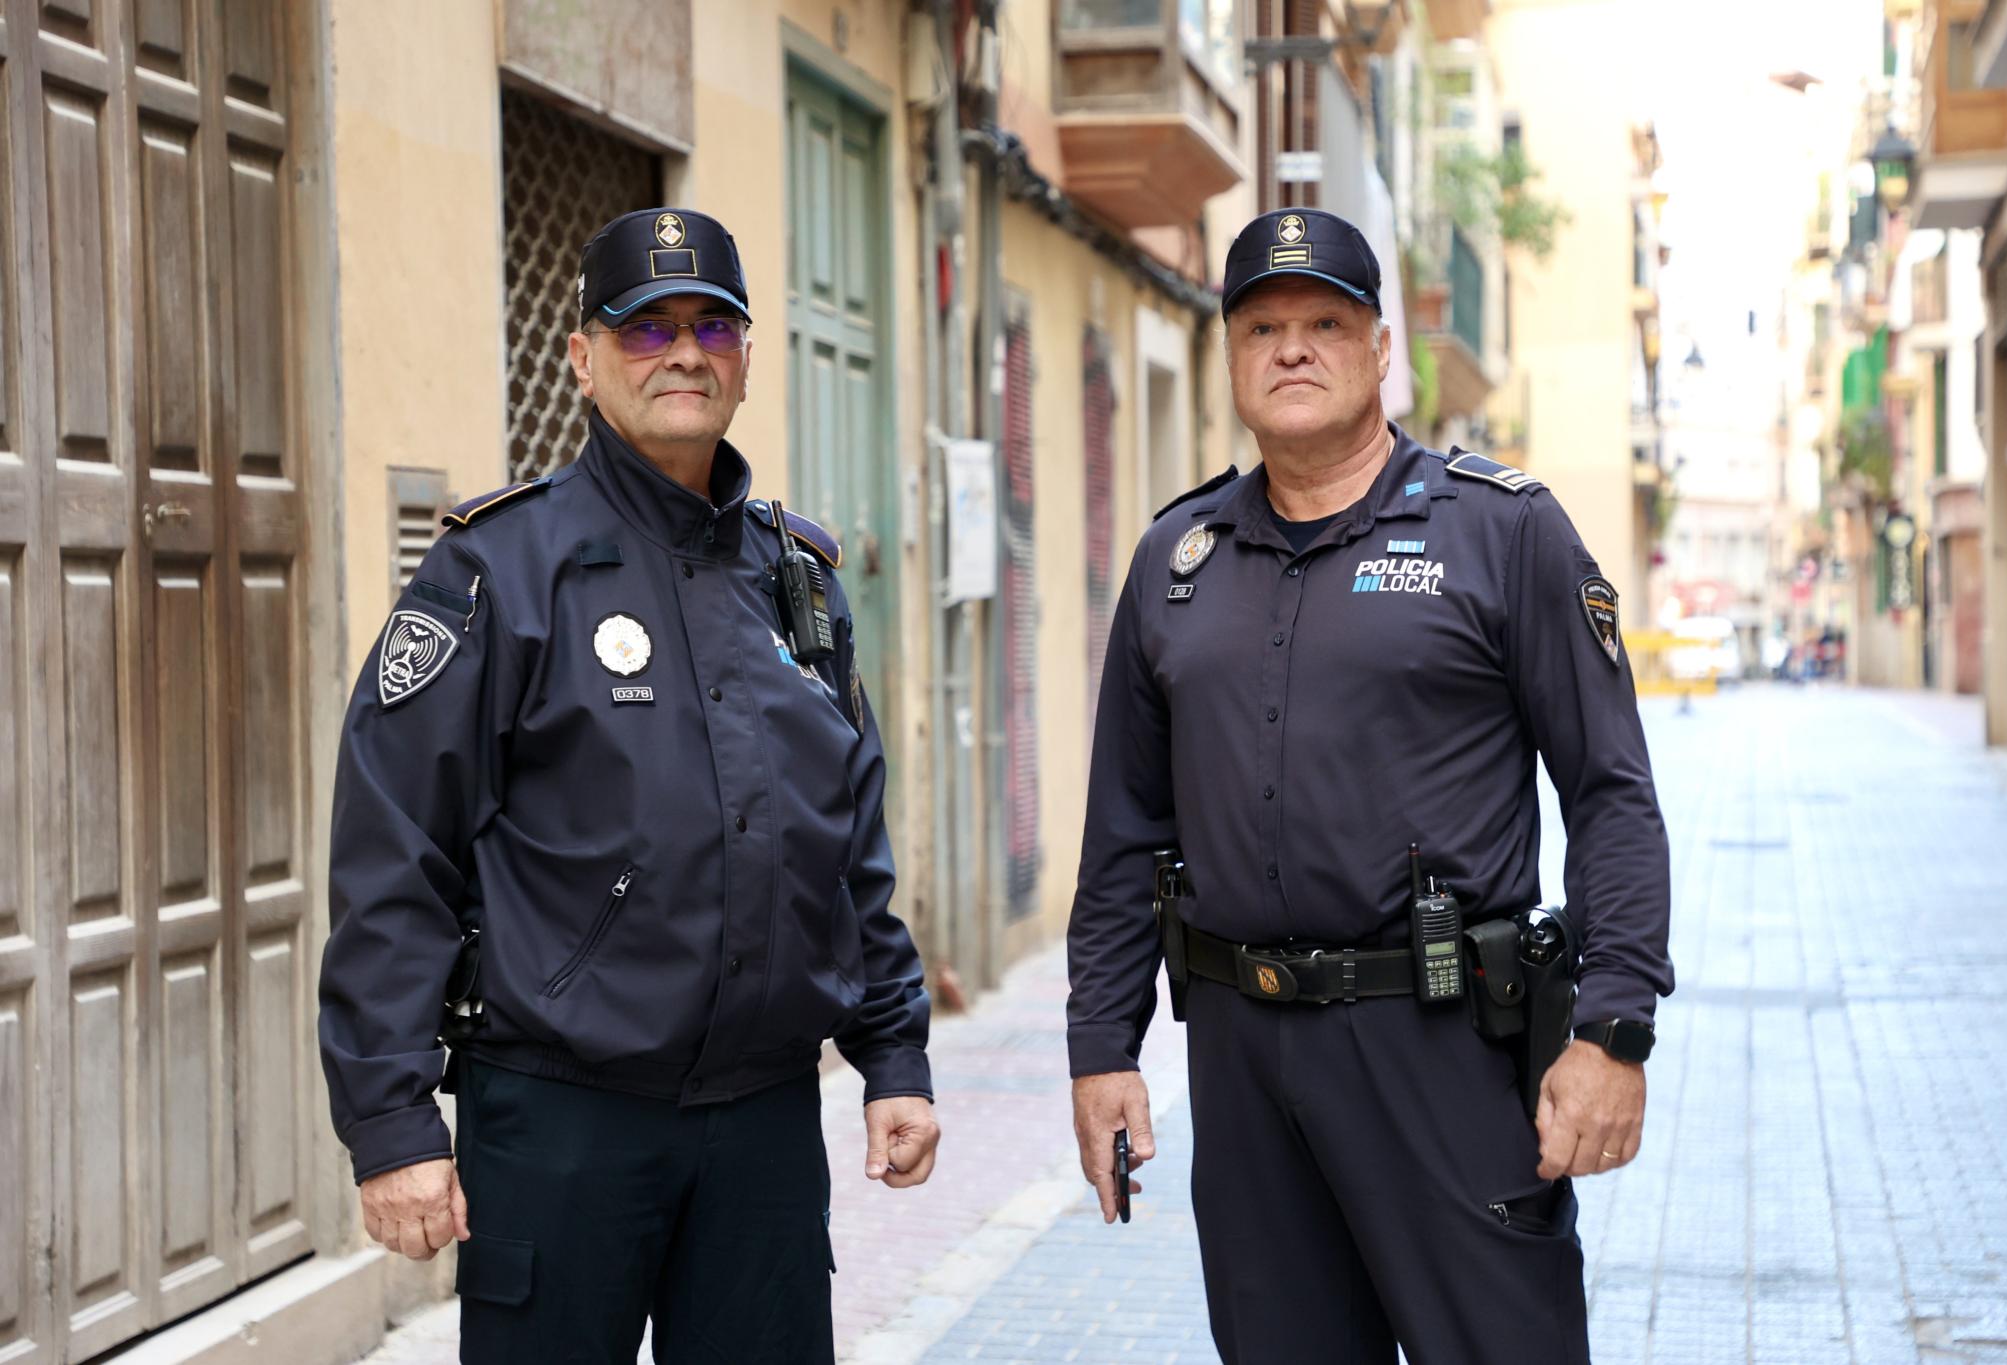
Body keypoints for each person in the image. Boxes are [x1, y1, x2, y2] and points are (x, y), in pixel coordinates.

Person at [317, 207, 938, 1364]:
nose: (684, 352)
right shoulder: (495, 570)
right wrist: (392, 1122)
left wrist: (891, 1056)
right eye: (645, 327)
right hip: (560, 1124)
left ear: (747, 357)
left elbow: (843, 840)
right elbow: (395, 850)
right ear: (583, 361)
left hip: (760, 1125)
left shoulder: (796, 581)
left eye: (712, 323)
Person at [1065, 207, 1674, 1364]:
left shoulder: (1501, 533)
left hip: (1440, 1048)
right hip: (1241, 1061)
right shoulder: (1173, 564)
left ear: (1377, 348)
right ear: (1230, 356)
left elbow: (1609, 792)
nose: (1291, 349)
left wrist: (1613, 1030)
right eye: (1261, 327)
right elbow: (1123, 834)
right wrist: (1102, 1047)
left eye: (1324, 324)